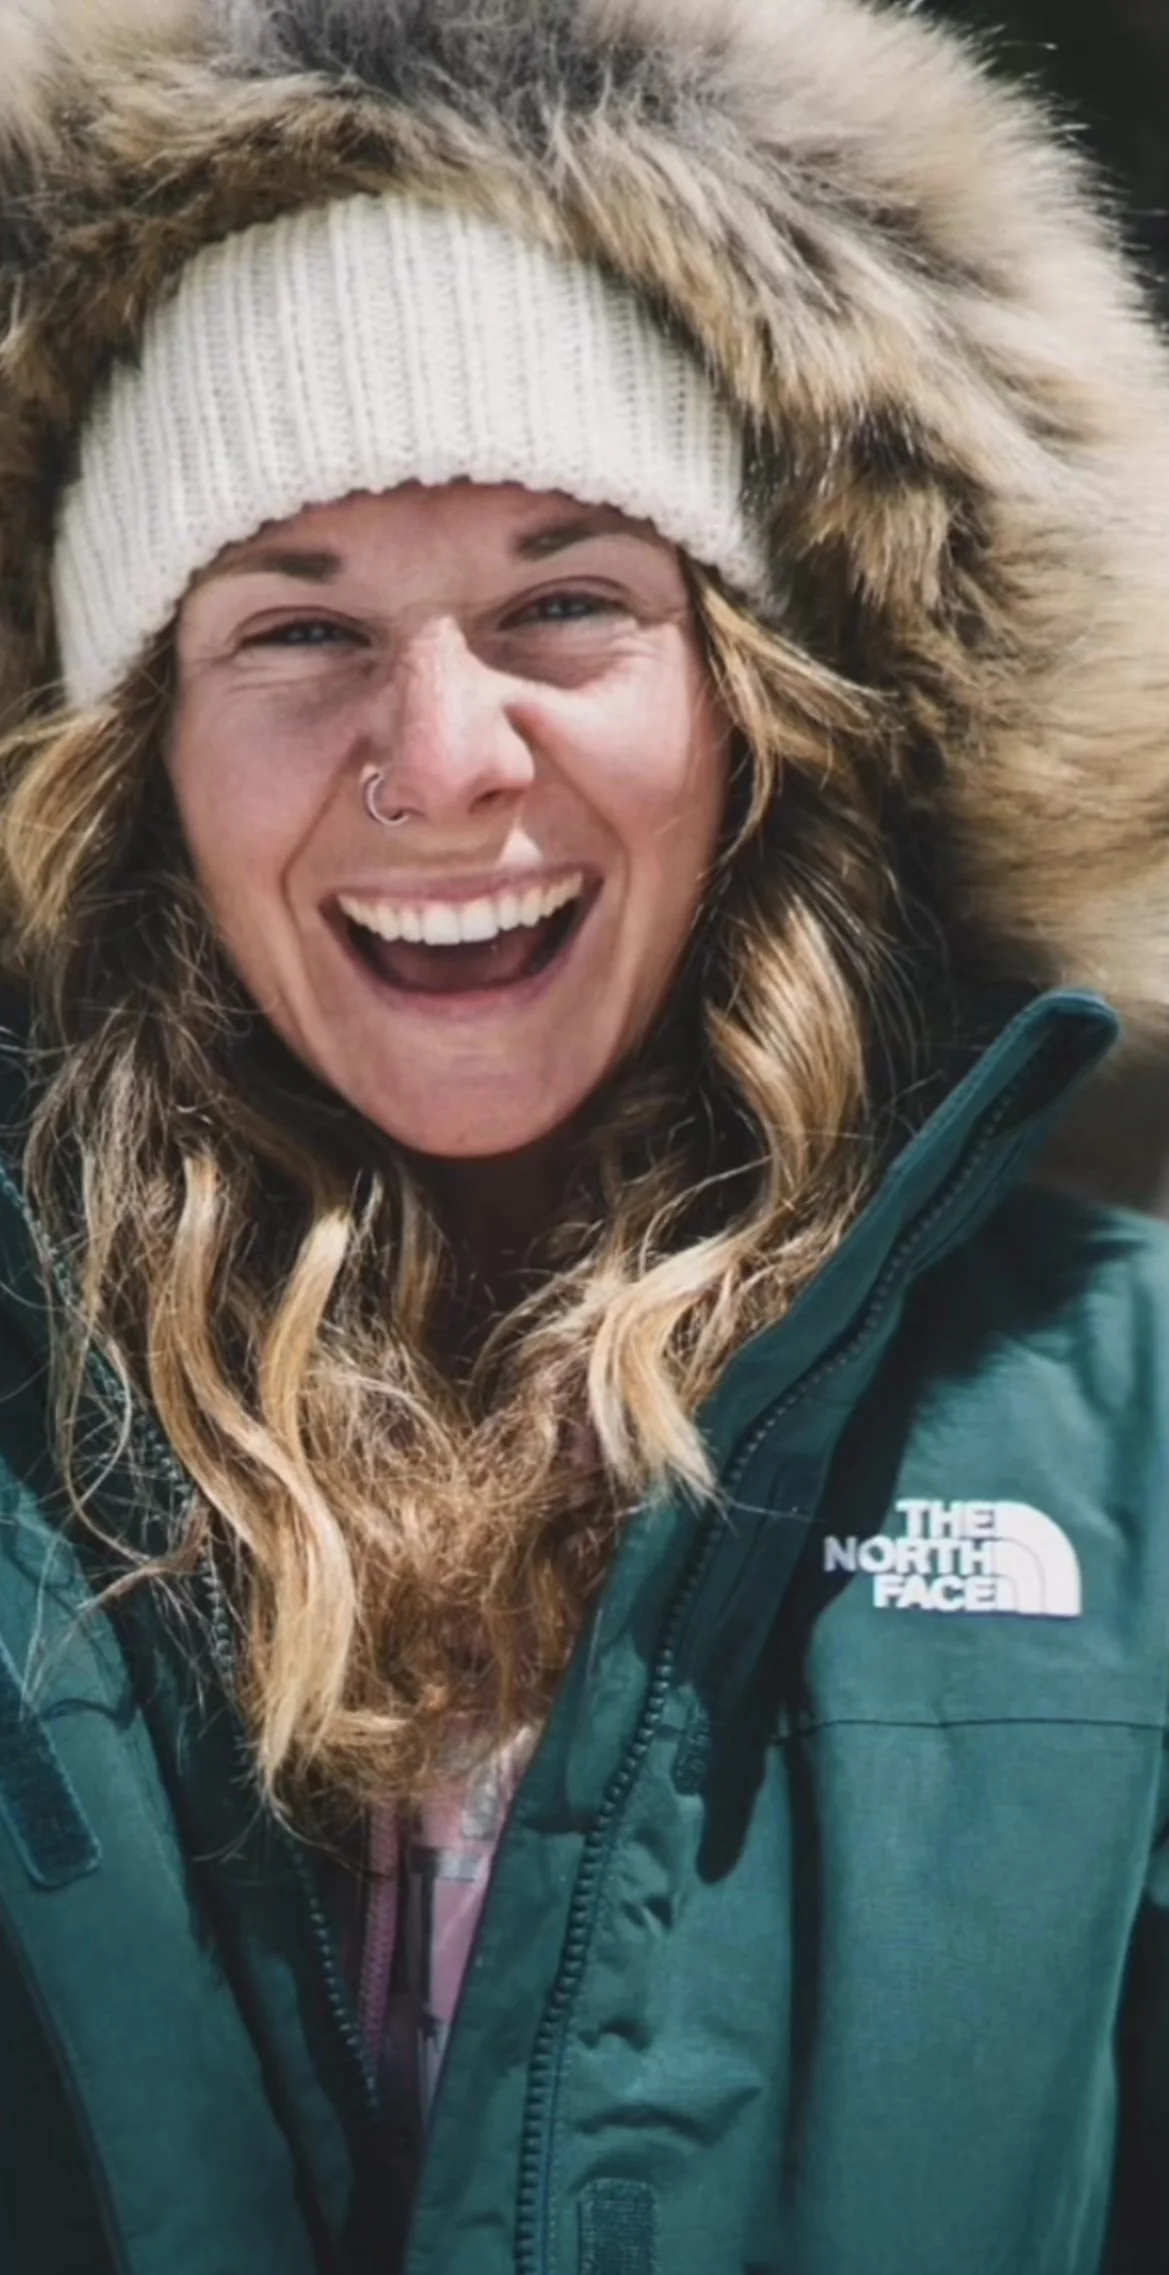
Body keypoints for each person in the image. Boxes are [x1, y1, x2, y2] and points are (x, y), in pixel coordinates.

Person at [2, 0, 1169, 2270]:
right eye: (292, 626)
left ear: (750, 708)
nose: (441, 759)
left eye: (568, 604)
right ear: (130, 759)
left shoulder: (1127, 1431)